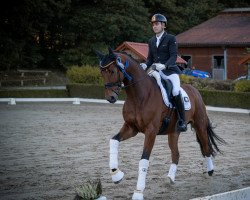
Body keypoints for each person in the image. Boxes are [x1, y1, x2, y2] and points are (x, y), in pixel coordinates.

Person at [140, 13, 187, 132]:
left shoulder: (171, 38)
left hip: (170, 72)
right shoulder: (151, 41)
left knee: (176, 91)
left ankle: (182, 120)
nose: (154, 26)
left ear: (163, 25)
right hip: (156, 71)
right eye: (153, 24)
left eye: (157, 24)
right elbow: (150, 58)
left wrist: (165, 65)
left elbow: (173, 56)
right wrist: (145, 64)